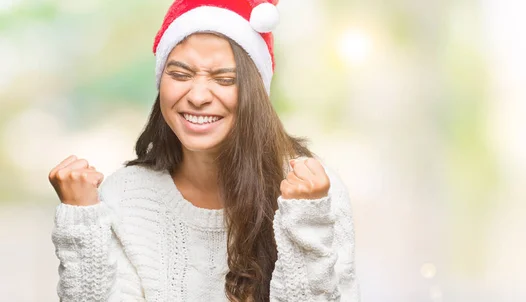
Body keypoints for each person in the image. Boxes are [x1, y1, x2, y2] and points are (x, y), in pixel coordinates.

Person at [48, 0, 359, 301]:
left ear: (256, 93)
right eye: (180, 75)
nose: (197, 96)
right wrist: (80, 223)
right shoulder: (123, 196)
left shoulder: (315, 194)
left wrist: (306, 223)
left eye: (224, 79)